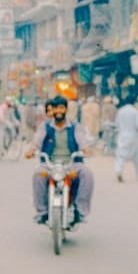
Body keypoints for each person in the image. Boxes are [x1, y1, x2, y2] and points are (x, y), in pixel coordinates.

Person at [26, 96, 95, 224]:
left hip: (72, 164)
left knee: (87, 174)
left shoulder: (75, 126)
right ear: (52, 109)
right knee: (37, 175)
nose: (58, 111)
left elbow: (83, 142)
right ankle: (42, 212)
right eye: (56, 108)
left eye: (61, 108)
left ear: (66, 109)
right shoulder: (45, 126)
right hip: (49, 164)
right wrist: (31, 150)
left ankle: (80, 211)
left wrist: (87, 149)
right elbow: (36, 141)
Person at [114, 95, 138, 182]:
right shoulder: (135, 112)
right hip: (133, 136)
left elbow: (117, 124)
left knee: (121, 155)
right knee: (137, 157)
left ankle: (118, 171)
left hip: (122, 136)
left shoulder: (120, 111)